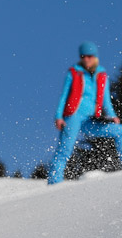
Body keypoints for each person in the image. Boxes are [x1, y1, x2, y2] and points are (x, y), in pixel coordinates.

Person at [48, 41, 121, 184]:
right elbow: (64, 96)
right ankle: (54, 181)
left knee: (119, 131)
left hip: (91, 120)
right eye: (83, 56)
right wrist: (58, 116)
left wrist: (113, 116)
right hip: (73, 117)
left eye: (89, 56)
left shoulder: (102, 74)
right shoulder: (74, 73)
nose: (86, 59)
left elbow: (106, 100)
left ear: (95, 57)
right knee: (65, 149)